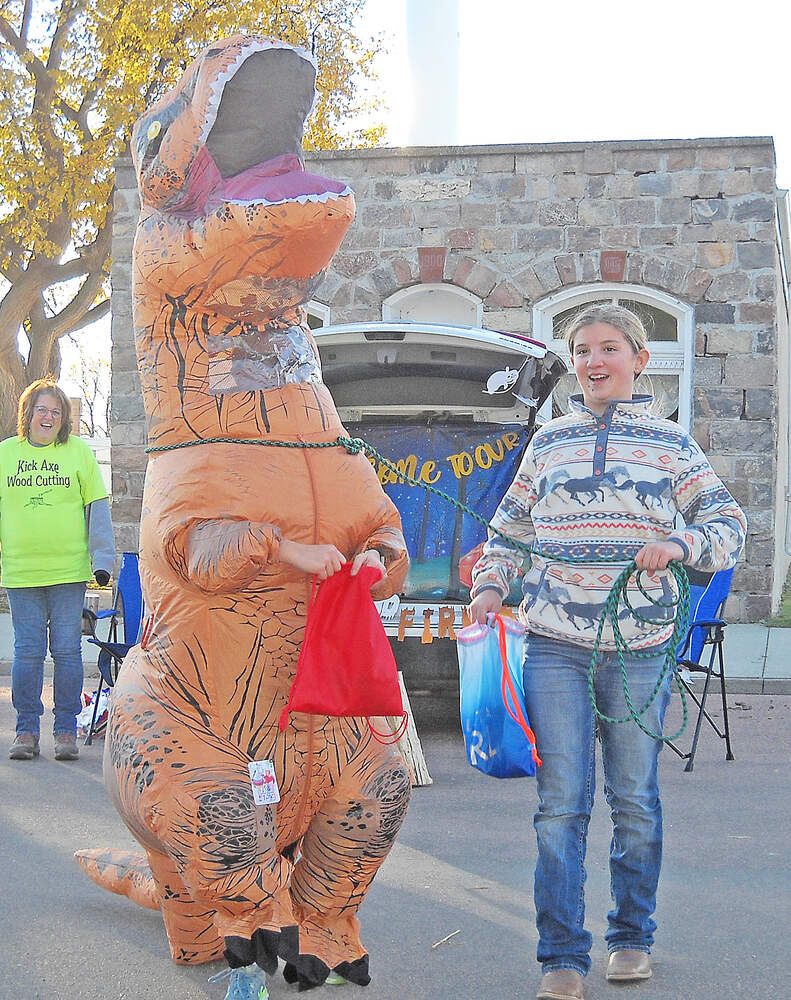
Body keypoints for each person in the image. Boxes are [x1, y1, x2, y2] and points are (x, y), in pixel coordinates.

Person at [468, 304, 746, 1000]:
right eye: (583, 350)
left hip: (639, 645)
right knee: (560, 805)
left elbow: (727, 523)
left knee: (634, 801)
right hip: (554, 644)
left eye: (610, 348)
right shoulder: (549, 443)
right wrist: (488, 587)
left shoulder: (672, 445)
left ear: (637, 360)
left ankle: (630, 938)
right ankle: (560, 954)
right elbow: (506, 528)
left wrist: (680, 545)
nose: (595, 360)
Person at [1, 379, 116, 762]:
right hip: (22, 573)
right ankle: (26, 731)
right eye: (42, 409)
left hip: (68, 572)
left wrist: (102, 560)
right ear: (28, 414)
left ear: (63, 418)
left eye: (55, 411)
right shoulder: (6, 455)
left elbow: (97, 507)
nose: (48, 416)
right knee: (27, 653)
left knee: (66, 652)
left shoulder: (78, 452)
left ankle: (65, 728)